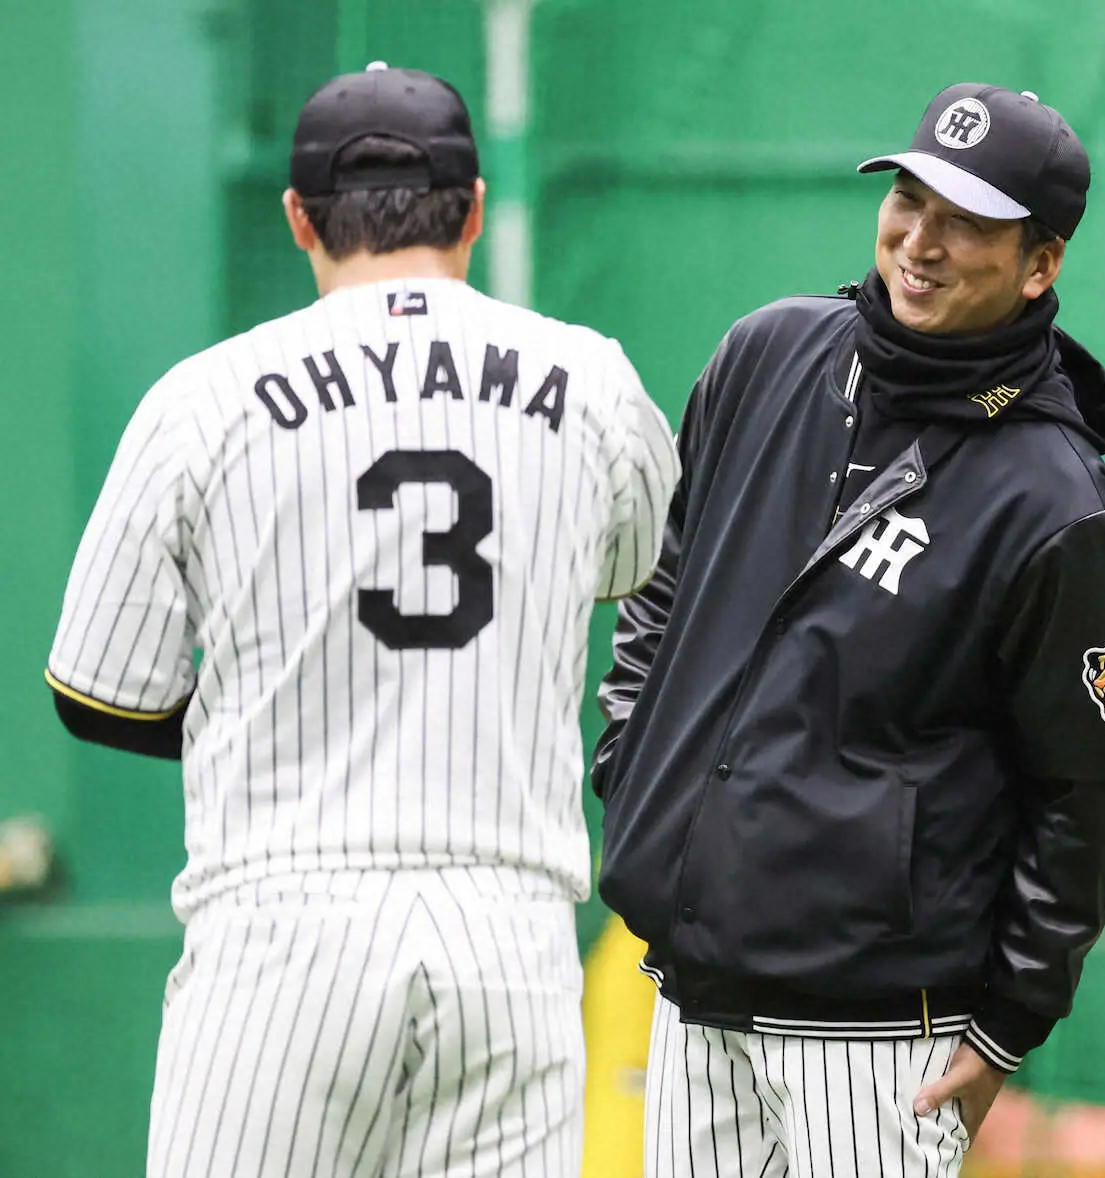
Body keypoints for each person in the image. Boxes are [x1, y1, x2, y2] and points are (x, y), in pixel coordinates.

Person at [46, 63, 678, 1178]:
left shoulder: (202, 398)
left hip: (282, 925)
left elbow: (97, 689)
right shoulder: (592, 381)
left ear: (299, 217)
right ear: (474, 206)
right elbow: (640, 574)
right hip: (509, 931)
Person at [592, 82, 1105, 1177]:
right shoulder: (770, 353)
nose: (921, 240)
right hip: (693, 979)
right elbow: (665, 579)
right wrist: (635, 760)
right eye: (910, 196)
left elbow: (1086, 788)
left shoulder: (1054, 502)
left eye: (969, 221)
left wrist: (1006, 1023)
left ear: (1040, 263)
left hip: (879, 1022)